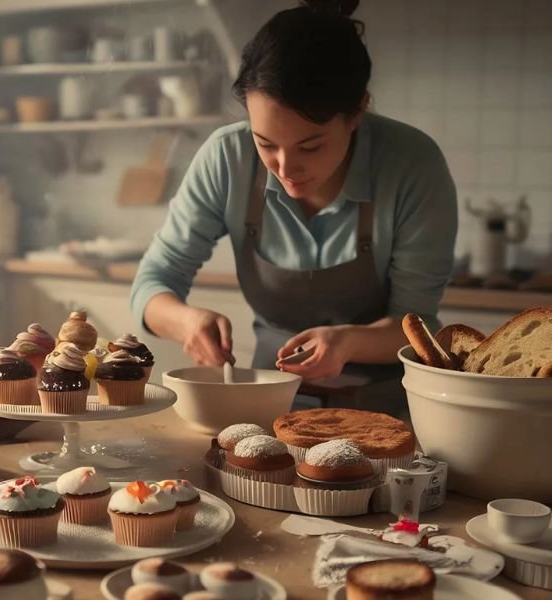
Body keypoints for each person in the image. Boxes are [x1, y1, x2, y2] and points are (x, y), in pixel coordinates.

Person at [130, 0, 457, 410]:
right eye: (265, 143)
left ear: (357, 111)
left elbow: (418, 323)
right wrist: (186, 323)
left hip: (385, 409)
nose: (285, 168)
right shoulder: (227, 158)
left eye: (311, 145)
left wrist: (347, 341)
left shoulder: (411, 164)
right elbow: (152, 283)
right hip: (265, 405)